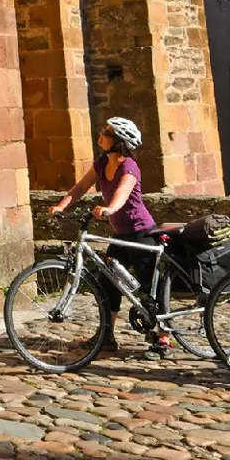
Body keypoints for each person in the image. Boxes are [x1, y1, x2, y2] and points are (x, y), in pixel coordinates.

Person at [48, 117, 172, 356]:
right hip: (120, 235)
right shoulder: (103, 162)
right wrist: (62, 205)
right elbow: (81, 187)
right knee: (108, 285)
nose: (101, 135)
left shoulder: (129, 167)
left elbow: (122, 194)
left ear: (119, 142)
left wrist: (110, 209)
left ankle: (164, 337)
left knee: (150, 287)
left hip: (141, 233)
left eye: (107, 132)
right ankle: (106, 336)